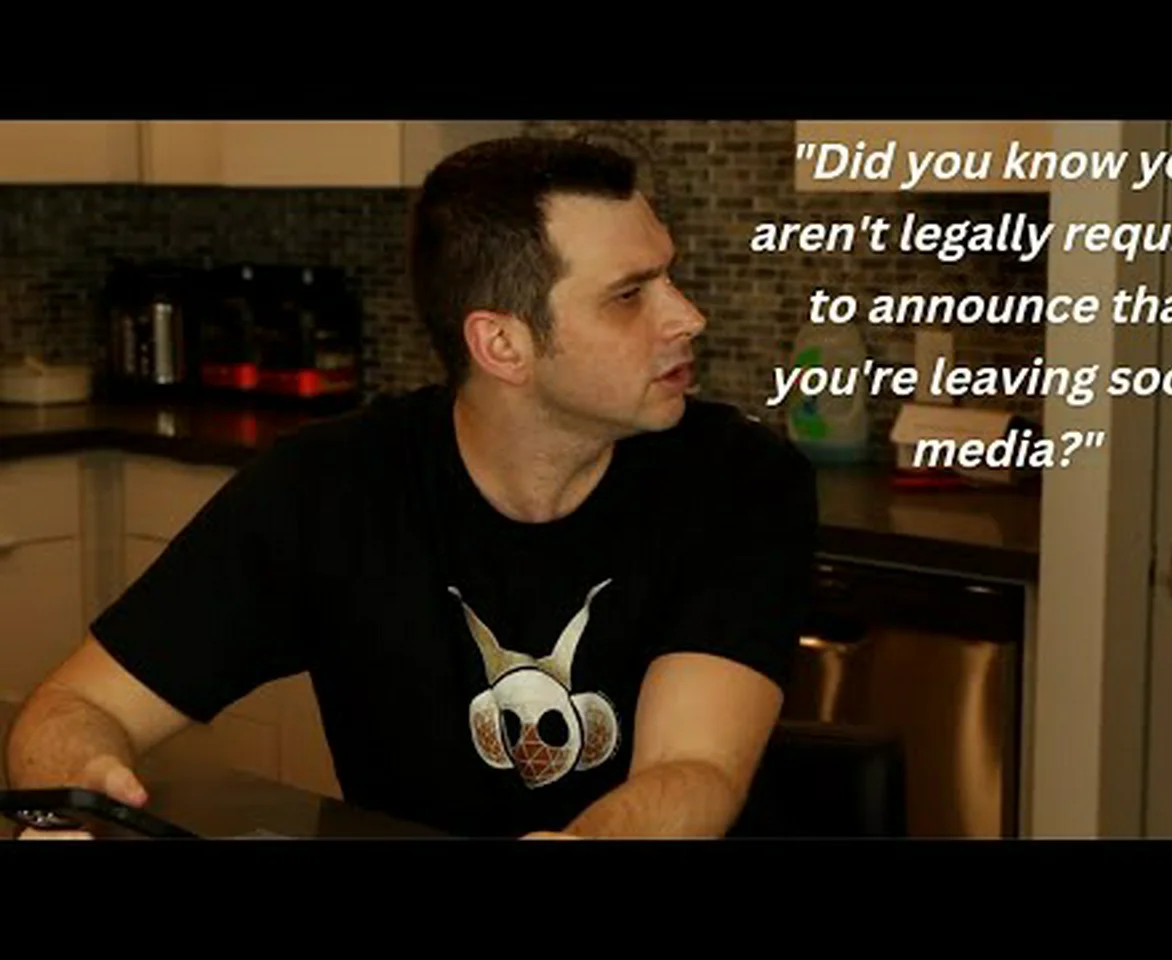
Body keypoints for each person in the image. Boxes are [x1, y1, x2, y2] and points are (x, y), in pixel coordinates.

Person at [3, 136, 818, 839]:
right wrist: (75, 792)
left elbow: (694, 770)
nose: (687, 316)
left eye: (668, 277)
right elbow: (72, 708)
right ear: (502, 344)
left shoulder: (738, 479)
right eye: (630, 295)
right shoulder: (326, 487)